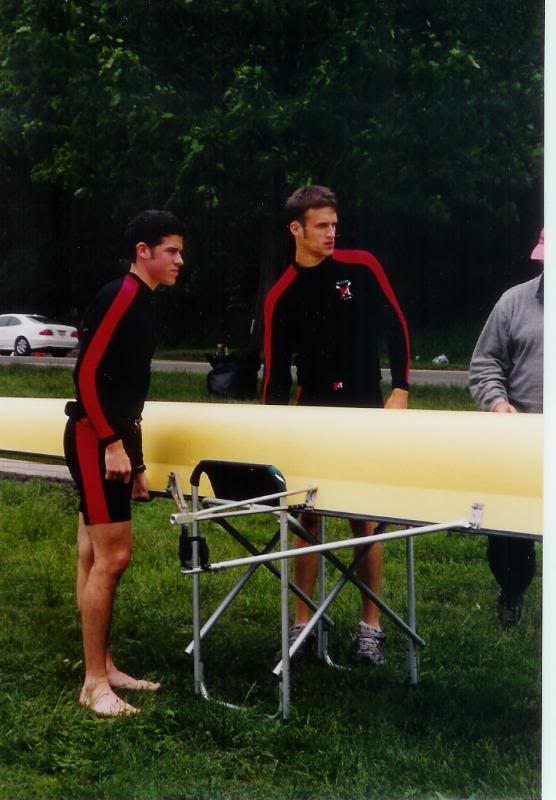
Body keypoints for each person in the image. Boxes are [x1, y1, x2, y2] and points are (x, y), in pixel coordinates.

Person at [262, 185, 410, 664]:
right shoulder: (281, 293)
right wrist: (270, 432)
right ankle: (302, 623)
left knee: (364, 518)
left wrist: (401, 389)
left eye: (334, 224)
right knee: (309, 516)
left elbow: (398, 326)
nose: (331, 233)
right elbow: (275, 371)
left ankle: (370, 626)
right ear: (296, 229)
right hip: (314, 414)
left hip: (367, 409)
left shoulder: (361, 266)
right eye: (321, 225)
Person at [63, 209, 185, 715]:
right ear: (144, 252)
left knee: (94, 552)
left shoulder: (140, 300)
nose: (181, 260)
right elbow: (86, 374)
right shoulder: (123, 295)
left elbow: (123, 390)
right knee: (113, 557)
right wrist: (112, 443)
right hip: (94, 439)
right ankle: (94, 683)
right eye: (172, 251)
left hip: (107, 440)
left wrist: (133, 461)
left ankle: (105, 665)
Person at [469, 228, 543, 626]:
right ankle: (512, 592)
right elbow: (485, 363)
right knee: (508, 536)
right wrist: (498, 404)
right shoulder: (512, 302)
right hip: (518, 438)